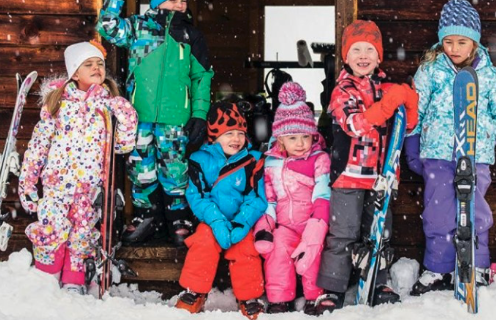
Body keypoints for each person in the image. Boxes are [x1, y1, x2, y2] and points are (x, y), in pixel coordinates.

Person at [405, 0, 496, 295]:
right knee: (438, 213)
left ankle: (476, 265)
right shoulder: (430, 71)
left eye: (461, 41)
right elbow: (415, 108)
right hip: (438, 155)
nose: (453, 48)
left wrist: (487, 131)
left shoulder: (491, 76)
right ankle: (438, 268)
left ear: (475, 43)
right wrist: (413, 144)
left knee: (475, 211)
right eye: (448, 41)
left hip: (475, 156)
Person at [96, 0, 214, 246]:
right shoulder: (138, 27)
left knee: (175, 169)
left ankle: (178, 218)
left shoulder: (190, 36)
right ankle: (146, 216)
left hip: (176, 118)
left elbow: (202, 77)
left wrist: (199, 114)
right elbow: (107, 26)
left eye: (183, 0)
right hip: (138, 118)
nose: (180, 5)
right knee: (141, 169)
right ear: (157, 0)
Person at [310, 20, 419, 314]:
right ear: (346, 56)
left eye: (369, 50)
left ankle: (379, 281)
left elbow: (406, 126)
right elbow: (356, 124)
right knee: (343, 234)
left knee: (379, 232)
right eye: (356, 49)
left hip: (381, 177)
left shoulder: (387, 88)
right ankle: (332, 288)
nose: (363, 55)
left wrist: (409, 102)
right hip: (348, 175)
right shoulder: (342, 91)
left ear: (379, 56)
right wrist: (390, 103)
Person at [17, 41, 138, 295]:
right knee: (52, 233)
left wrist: (125, 114)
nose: (97, 67)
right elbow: (38, 145)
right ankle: (46, 280)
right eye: (89, 64)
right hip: (56, 187)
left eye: (100, 64)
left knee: (81, 236)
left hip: (88, 190)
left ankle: (74, 282)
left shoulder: (107, 106)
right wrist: (28, 182)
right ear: (74, 73)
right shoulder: (57, 104)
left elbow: (123, 147)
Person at [175, 102, 267, 319]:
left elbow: (257, 197)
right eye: (229, 133)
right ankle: (195, 291)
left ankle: (249, 296)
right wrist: (216, 221)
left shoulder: (252, 161)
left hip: (241, 221)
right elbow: (196, 197)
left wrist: (241, 222)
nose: (236, 139)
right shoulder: (199, 160)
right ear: (214, 136)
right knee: (203, 242)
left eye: (240, 133)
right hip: (211, 221)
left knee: (246, 248)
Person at [252, 82, 331, 315]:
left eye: (305, 136)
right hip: (285, 225)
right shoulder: (271, 162)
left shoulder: (319, 159)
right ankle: (279, 298)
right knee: (277, 250)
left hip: (311, 223)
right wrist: (265, 227)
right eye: (293, 137)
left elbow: (323, 195)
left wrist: (316, 229)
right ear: (280, 139)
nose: (300, 143)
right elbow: (270, 199)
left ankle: (314, 296)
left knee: (313, 255)